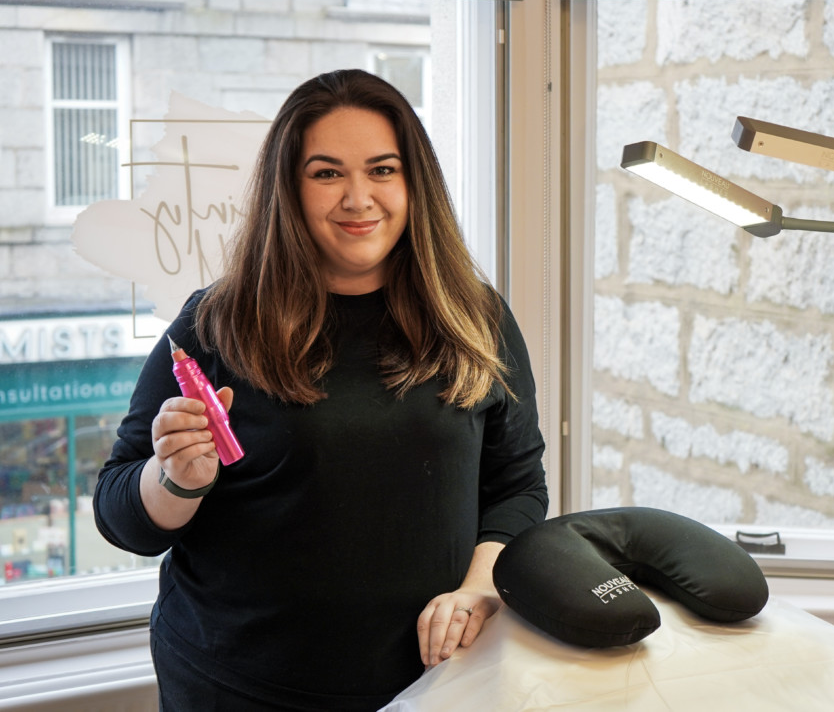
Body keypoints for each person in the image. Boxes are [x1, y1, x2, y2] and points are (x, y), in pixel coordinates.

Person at [93, 69, 548, 711]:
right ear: (289, 188)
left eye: (383, 170)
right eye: (327, 173)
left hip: (436, 685)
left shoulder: (476, 318)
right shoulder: (217, 322)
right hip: (235, 688)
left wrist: (479, 589)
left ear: (414, 183)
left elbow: (518, 487)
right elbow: (120, 517)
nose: (359, 198)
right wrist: (175, 483)